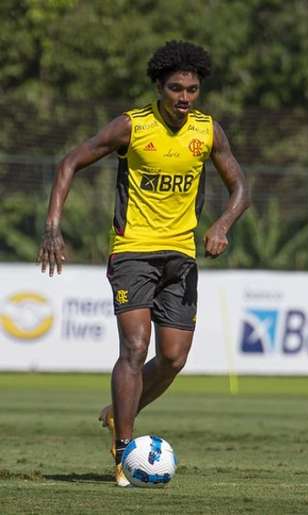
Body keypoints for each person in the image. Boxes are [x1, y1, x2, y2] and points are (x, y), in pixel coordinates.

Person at [37, 40, 250, 487]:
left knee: (173, 358)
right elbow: (70, 162)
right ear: (159, 86)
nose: (185, 98)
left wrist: (222, 226)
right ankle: (122, 455)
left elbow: (240, 187)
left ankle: (119, 414)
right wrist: (53, 226)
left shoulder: (208, 131)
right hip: (133, 251)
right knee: (134, 347)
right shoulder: (132, 127)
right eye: (176, 89)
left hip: (182, 256)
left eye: (192, 89)